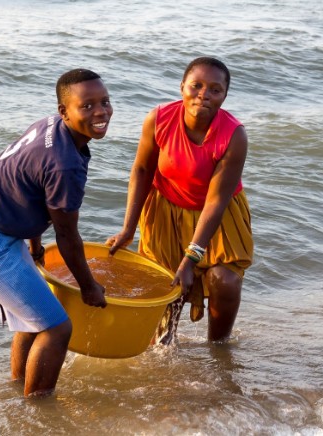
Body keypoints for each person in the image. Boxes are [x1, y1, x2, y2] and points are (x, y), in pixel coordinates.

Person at [0, 69, 111, 397]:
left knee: (33, 320)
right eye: (87, 106)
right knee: (57, 328)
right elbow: (67, 235)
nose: (100, 111)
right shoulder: (64, 165)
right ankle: (38, 414)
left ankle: (20, 394)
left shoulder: (50, 125)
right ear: (65, 111)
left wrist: (34, 244)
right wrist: (89, 288)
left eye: (104, 102)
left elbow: (26, 183)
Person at [107, 57, 254, 344]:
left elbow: (216, 201)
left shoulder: (234, 136)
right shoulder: (159, 118)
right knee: (165, 289)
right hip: (165, 211)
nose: (204, 95)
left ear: (225, 95)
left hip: (218, 216)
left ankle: (219, 349)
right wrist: (128, 228)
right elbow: (141, 170)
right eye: (196, 86)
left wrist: (190, 258)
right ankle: (164, 353)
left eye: (215, 89)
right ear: (182, 86)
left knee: (223, 280)